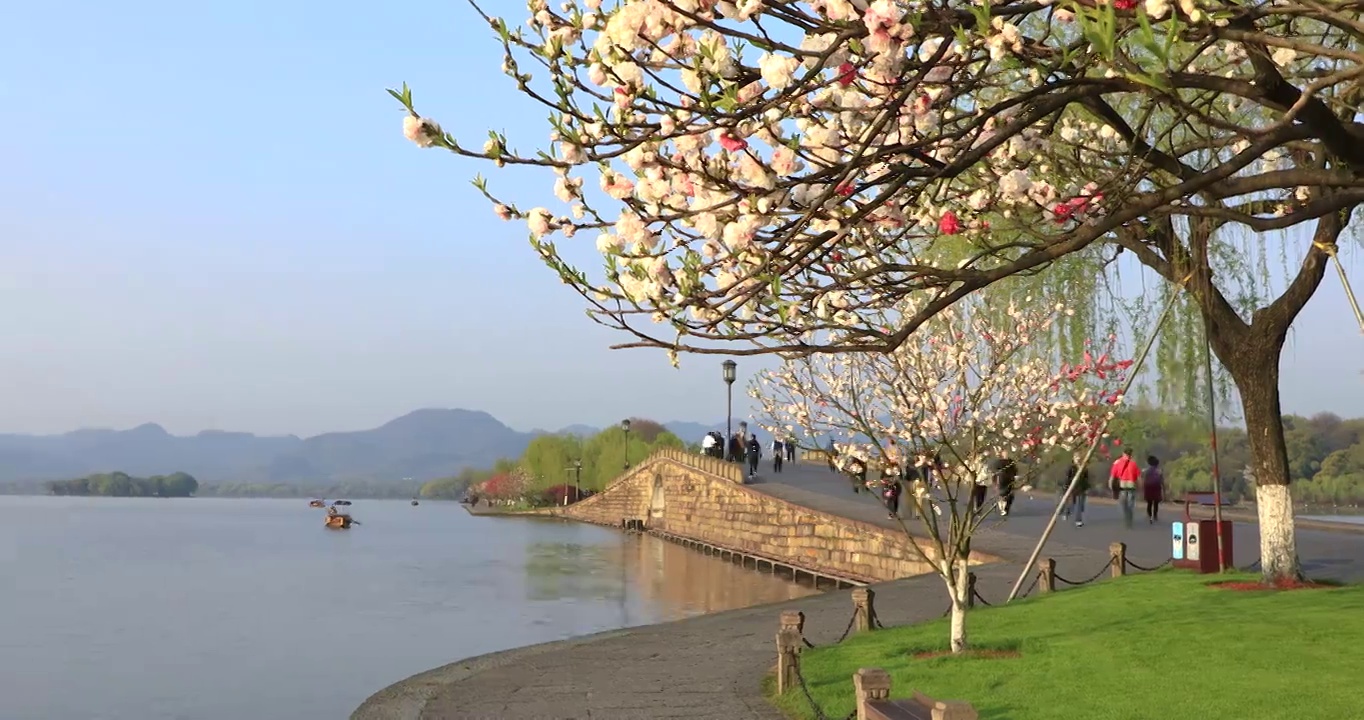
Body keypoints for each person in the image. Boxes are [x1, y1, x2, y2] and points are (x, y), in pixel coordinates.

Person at [1110, 447, 1142, 528]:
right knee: (1130, 504)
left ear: (1123, 453)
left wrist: (1111, 485)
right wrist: (1140, 487)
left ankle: (1127, 518)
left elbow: (1112, 476)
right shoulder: (1133, 463)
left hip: (1122, 486)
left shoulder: (1117, 462)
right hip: (1131, 486)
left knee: (1123, 504)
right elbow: (1139, 477)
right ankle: (1129, 519)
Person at [1062, 454, 1091, 527]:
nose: (1078, 459)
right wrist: (1066, 487)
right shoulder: (1071, 468)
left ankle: (1078, 520)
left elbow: (1086, 479)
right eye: (1076, 457)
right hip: (1072, 488)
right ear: (1073, 459)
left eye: (1079, 457)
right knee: (1072, 504)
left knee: (1080, 505)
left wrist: (1087, 488)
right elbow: (1067, 478)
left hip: (1081, 488)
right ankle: (1066, 512)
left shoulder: (1084, 468)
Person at [993, 451, 1019, 517]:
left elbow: (1015, 470)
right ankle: (1002, 509)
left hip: (1010, 480)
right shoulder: (999, 462)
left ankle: (1006, 508)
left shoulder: (1011, 462)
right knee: (1002, 495)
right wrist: (995, 480)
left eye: (1007, 453)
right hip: (1002, 480)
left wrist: (1015, 476)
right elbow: (995, 471)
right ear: (1002, 454)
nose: (1006, 454)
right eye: (1005, 453)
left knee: (1010, 496)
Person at [1143, 455, 1166, 524]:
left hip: (1148, 487)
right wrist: (1164, 489)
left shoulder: (1146, 471)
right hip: (1156, 487)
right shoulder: (1159, 471)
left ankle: (1150, 516)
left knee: (1149, 503)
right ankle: (1155, 515)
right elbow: (1162, 481)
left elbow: (1144, 480)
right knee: (1156, 503)